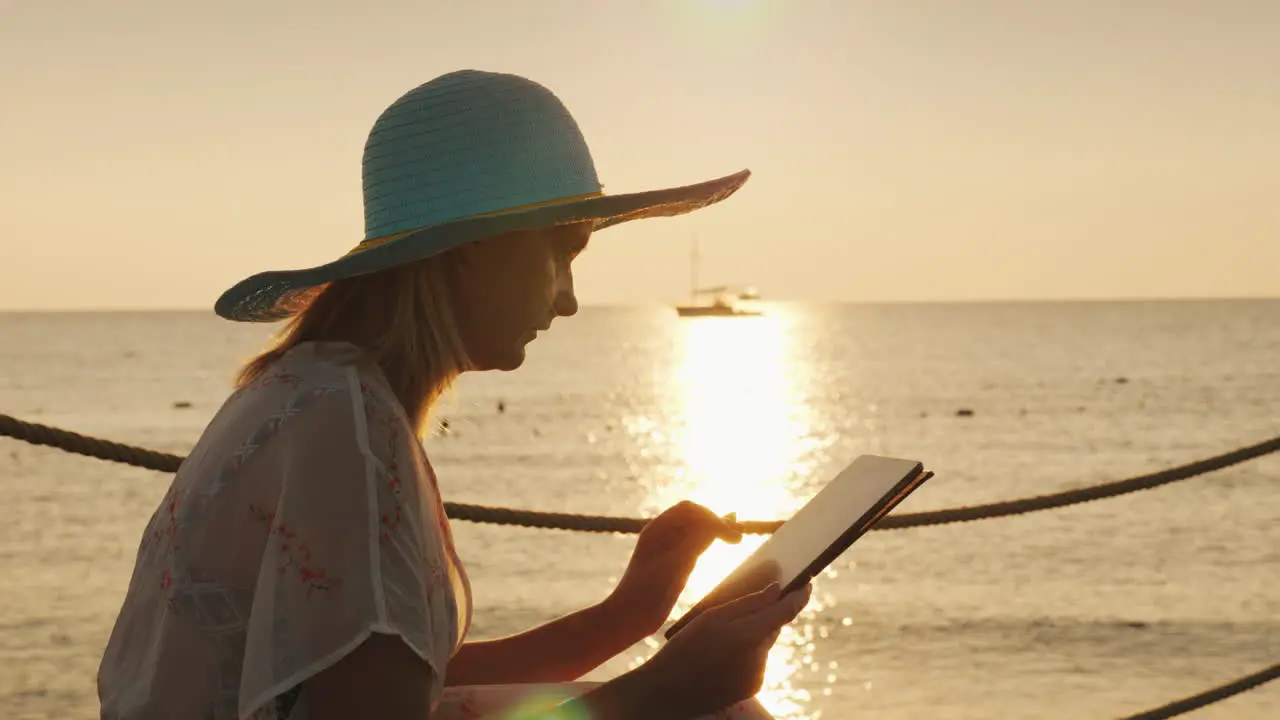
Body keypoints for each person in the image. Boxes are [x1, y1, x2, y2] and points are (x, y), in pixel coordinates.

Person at [97, 69, 811, 720]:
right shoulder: (345, 431)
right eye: (560, 255)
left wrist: (627, 616)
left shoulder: (318, 391)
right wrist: (664, 692)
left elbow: (393, 680)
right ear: (474, 246)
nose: (567, 300)